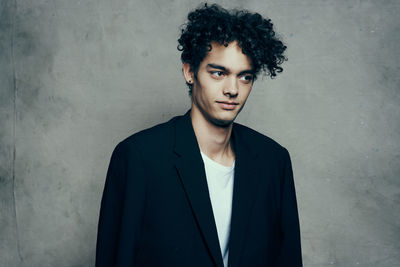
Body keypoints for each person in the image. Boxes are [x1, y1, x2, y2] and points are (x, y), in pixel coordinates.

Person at [95, 3, 302, 267]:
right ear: (190, 72)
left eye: (245, 77)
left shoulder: (274, 161)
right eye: (219, 73)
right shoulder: (138, 157)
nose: (232, 89)